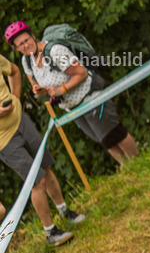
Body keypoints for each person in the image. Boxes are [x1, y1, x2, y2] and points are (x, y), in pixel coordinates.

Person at [5, 21, 139, 167]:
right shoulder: (27, 61)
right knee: (104, 140)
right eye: (20, 44)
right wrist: (41, 91)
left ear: (32, 36)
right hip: (72, 108)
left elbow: (81, 73)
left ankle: (139, 163)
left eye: (26, 40)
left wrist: (61, 90)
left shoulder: (55, 52)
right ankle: (128, 169)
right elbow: (36, 85)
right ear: (16, 48)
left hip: (89, 96)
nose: (26, 45)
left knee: (114, 133)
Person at [0, 51, 83, 247]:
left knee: (45, 167)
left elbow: (14, 71)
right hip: (4, 141)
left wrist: (16, 99)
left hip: (21, 122)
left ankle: (65, 211)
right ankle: (51, 233)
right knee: (36, 182)